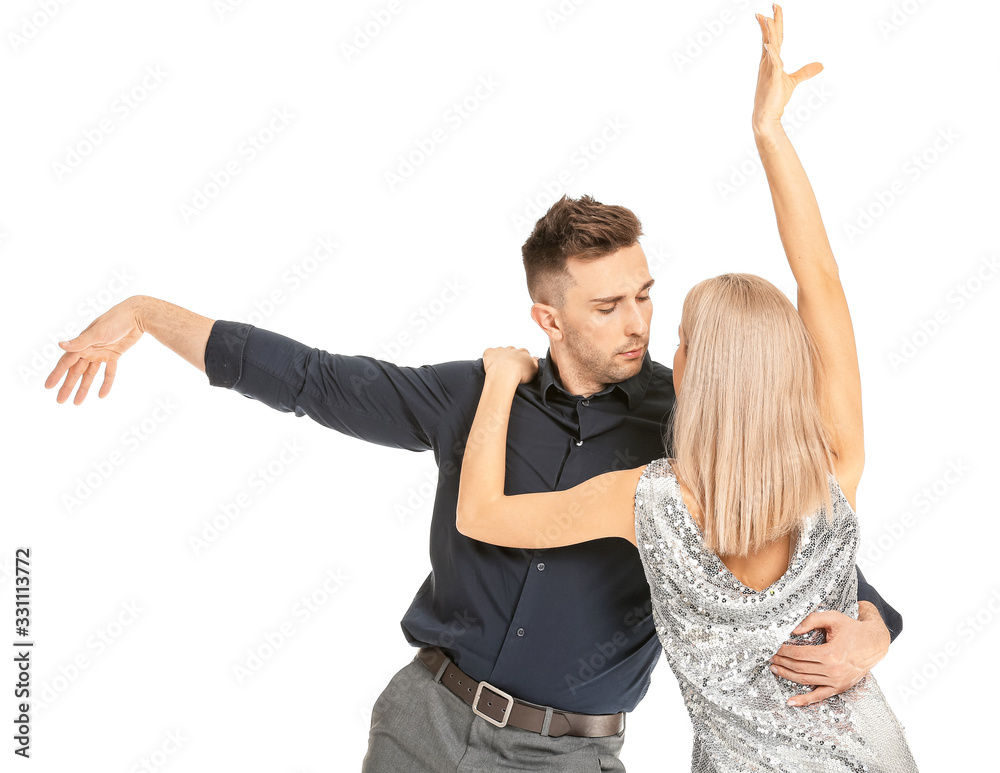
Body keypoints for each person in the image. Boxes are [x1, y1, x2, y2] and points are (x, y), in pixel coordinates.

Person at [43, 8, 901, 770]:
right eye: (610, 305)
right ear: (549, 316)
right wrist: (153, 315)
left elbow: (810, 555)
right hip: (425, 719)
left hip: (568, 753)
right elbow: (311, 379)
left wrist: (875, 630)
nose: (640, 322)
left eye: (648, 296)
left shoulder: (682, 441)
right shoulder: (473, 400)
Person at [454, 7, 917, 771]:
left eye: (682, 338)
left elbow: (481, 512)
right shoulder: (834, 466)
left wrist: (502, 379)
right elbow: (821, 281)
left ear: (698, 370)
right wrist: (770, 134)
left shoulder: (647, 500)